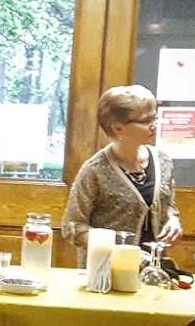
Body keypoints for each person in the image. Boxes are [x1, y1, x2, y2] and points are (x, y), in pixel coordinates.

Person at [61, 85, 183, 263]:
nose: (154, 126)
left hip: (153, 268)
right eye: (145, 121)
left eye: (155, 118)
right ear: (118, 128)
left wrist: (173, 220)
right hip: (105, 270)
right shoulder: (95, 170)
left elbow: (168, 205)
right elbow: (72, 227)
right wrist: (121, 250)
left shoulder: (163, 161)